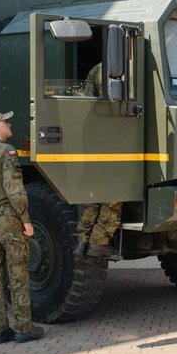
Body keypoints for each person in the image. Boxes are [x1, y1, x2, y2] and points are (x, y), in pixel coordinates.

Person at [0, 111, 44, 344]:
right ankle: (23, 328)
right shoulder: (6, 152)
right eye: (4, 122)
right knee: (18, 272)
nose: (8, 124)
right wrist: (25, 219)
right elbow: (14, 188)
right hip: (7, 218)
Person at [72, 63, 122, 258]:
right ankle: (99, 242)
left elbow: (84, 101)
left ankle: (82, 240)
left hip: (94, 134)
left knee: (94, 194)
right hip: (115, 135)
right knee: (116, 191)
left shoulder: (98, 68)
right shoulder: (127, 65)